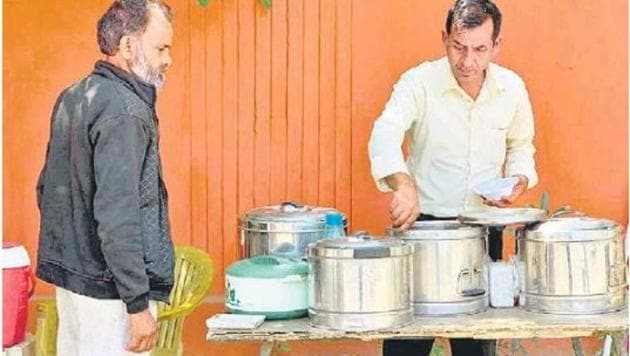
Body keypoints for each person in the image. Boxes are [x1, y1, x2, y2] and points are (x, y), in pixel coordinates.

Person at [368, 0, 538, 355]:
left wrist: (518, 181)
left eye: (479, 49)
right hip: (423, 231)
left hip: (481, 232)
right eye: (458, 47)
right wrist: (403, 183)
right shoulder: (418, 82)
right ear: (444, 37)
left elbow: (521, 145)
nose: (467, 61)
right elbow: (385, 132)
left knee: (475, 347)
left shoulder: (512, 88)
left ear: (496, 45)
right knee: (407, 346)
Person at [35, 1, 175, 355]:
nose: (168, 59)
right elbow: (119, 216)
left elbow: (46, 190)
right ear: (128, 46)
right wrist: (137, 304)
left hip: (75, 286)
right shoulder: (125, 111)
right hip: (112, 295)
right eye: (161, 47)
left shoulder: (73, 96)